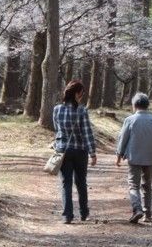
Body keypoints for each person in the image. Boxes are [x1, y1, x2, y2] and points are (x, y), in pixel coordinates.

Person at [116, 92, 152, 223]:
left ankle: (137, 209)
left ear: (134, 105)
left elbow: (123, 139)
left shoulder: (129, 120)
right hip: (150, 158)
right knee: (147, 186)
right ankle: (148, 214)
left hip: (134, 158)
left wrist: (119, 155)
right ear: (147, 105)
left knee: (133, 185)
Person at [52, 80, 97, 224]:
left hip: (63, 150)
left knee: (66, 183)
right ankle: (84, 213)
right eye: (82, 93)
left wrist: (58, 143)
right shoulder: (82, 110)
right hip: (80, 151)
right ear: (77, 93)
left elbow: (56, 129)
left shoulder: (57, 109)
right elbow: (87, 133)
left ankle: (67, 215)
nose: (82, 95)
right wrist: (93, 153)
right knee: (81, 182)